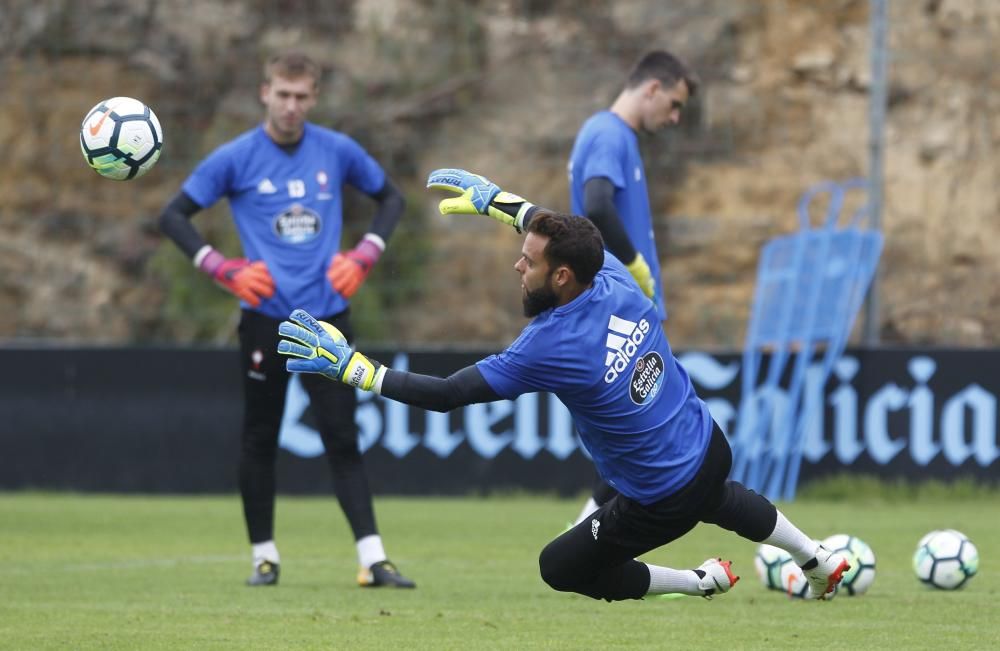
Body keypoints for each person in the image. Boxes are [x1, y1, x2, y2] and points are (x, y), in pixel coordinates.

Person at [274, 169, 850, 602]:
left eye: (528, 262)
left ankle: (693, 582)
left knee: (562, 566)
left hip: (662, 495)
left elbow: (448, 395)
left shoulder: (550, 345)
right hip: (707, 445)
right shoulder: (614, 276)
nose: (517, 268)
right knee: (718, 495)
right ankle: (818, 558)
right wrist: (498, 203)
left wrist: (354, 368)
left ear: (562, 276)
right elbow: (555, 230)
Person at [157, 51, 415, 589]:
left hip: (327, 320)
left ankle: (374, 559)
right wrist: (221, 267)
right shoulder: (236, 157)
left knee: (342, 436)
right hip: (264, 320)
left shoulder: (337, 150)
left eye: (302, 96)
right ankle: (264, 558)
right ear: (264, 92)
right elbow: (173, 215)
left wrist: (365, 252)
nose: (292, 106)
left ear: (314, 98)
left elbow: (392, 198)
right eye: (283, 94)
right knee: (260, 437)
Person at [567, 50, 700, 526]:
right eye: (674, 104)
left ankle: (585, 533)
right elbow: (597, 205)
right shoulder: (608, 134)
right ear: (651, 89)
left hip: (621, 304)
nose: (675, 117)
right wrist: (636, 266)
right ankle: (588, 538)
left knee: (640, 432)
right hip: (620, 305)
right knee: (646, 432)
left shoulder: (613, 135)